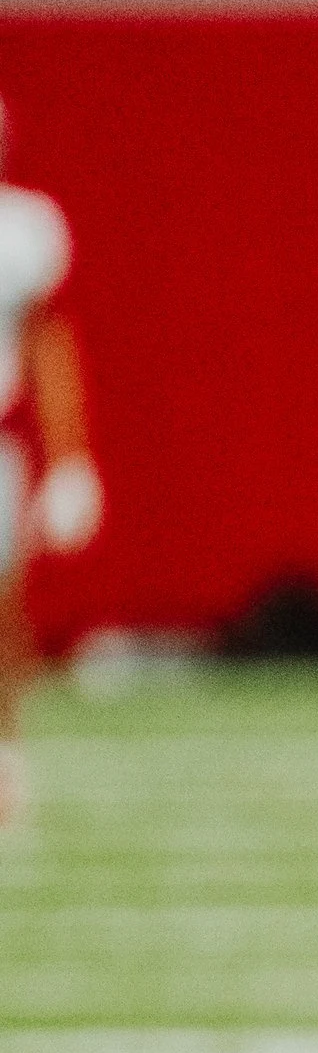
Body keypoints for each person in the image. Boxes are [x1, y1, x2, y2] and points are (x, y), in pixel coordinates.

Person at [0, 101, 103, 828]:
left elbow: (47, 343)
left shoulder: (21, 230)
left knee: (4, 611)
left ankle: (5, 757)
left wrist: (71, 455)